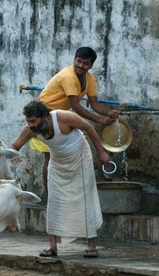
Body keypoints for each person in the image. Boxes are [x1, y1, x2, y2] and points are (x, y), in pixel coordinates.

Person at [12, 100, 113, 258]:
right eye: (28, 121)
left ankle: (91, 245)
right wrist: (13, 156)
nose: (31, 125)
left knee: (84, 198)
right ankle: (52, 247)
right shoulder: (31, 130)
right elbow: (15, 147)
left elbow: (88, 128)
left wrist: (101, 153)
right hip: (57, 163)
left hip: (79, 157)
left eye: (33, 121)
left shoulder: (63, 117)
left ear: (45, 116)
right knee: (54, 201)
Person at [28, 47, 120, 193]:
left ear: (91, 65)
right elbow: (76, 107)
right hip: (44, 117)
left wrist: (109, 113)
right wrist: (99, 120)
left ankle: (63, 191)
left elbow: (95, 104)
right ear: (74, 60)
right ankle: (48, 193)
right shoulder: (68, 76)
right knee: (50, 158)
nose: (81, 66)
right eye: (78, 61)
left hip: (59, 118)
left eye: (85, 63)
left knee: (61, 156)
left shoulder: (89, 79)